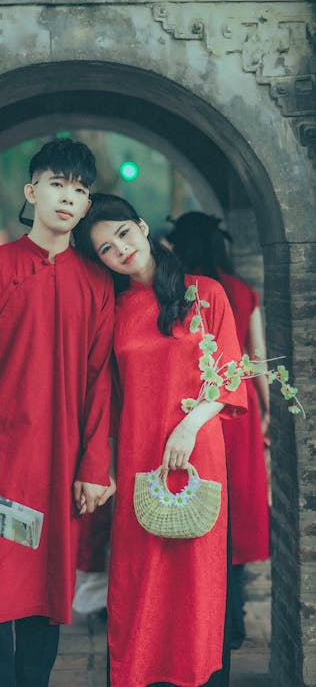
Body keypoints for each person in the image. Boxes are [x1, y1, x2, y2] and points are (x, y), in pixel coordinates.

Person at [0, 139, 116, 687]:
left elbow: (99, 382)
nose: (68, 197)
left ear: (87, 206)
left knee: (46, 600)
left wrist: (94, 466)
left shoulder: (95, 282)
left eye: (80, 189)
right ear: (32, 191)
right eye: (57, 184)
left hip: (59, 467)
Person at [73, 193, 247, 687]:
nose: (120, 250)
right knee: (139, 579)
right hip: (139, 457)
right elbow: (103, 396)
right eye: (106, 249)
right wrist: (98, 464)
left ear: (143, 227)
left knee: (197, 577)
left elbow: (231, 377)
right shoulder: (113, 311)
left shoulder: (205, 293)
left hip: (197, 454)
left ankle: (198, 674)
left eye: (123, 234)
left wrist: (190, 426)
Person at [168, 211, 270, 650]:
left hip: (190, 413)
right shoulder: (241, 291)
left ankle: (196, 621)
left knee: (193, 515)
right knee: (232, 515)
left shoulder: (176, 292)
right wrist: (265, 411)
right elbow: (257, 360)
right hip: (235, 414)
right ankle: (233, 620)